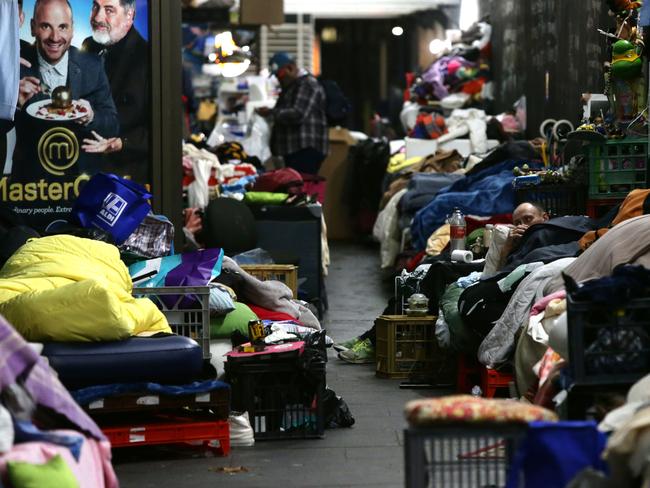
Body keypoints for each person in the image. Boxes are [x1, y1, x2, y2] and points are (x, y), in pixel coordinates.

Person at [335, 202, 553, 364]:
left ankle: (374, 341)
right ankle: (374, 337)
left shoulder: (549, 237)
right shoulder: (518, 239)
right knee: (431, 268)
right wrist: (507, 247)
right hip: (494, 272)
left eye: (528, 219)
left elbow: (505, 274)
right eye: (517, 222)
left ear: (545, 217)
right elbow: (500, 267)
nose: (523, 225)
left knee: (438, 271)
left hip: (500, 282)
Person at [17, 0, 118, 136]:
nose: (55, 37)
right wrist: (13, 105)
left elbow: (113, 126)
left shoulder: (93, 65)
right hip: (32, 157)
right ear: (32, 27)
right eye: (46, 26)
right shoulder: (14, 65)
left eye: (63, 27)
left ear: (72, 29)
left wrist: (91, 117)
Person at [80, 0, 149, 183]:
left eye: (109, 10)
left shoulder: (150, 59)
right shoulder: (88, 46)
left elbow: (165, 129)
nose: (98, 17)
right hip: (81, 171)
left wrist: (121, 143)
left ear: (130, 15)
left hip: (126, 177)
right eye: (95, 7)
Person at [256, 52, 328, 175]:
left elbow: (298, 113)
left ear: (290, 68)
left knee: (301, 187)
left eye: (280, 74)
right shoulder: (292, 86)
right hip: (294, 149)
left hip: (304, 149)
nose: (279, 79)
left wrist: (271, 112)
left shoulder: (307, 84)